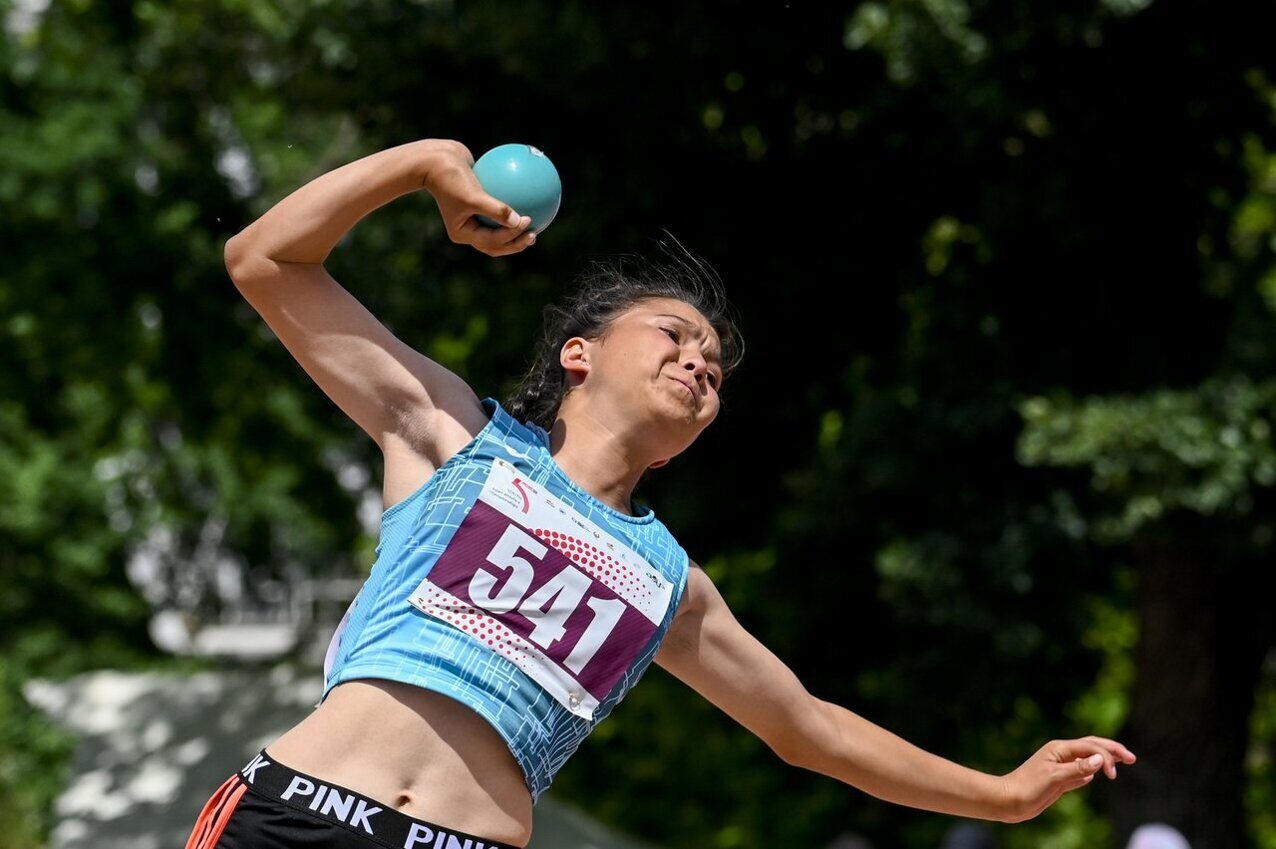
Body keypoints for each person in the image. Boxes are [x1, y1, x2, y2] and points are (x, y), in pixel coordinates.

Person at [185, 138, 1137, 849]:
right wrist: (426, 165)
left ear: (693, 441)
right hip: (296, 815)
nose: (698, 360)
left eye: (714, 368)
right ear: (578, 355)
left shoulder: (667, 584)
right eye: (673, 335)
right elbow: (265, 261)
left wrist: (1002, 794)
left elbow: (811, 730)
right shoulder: (454, 441)